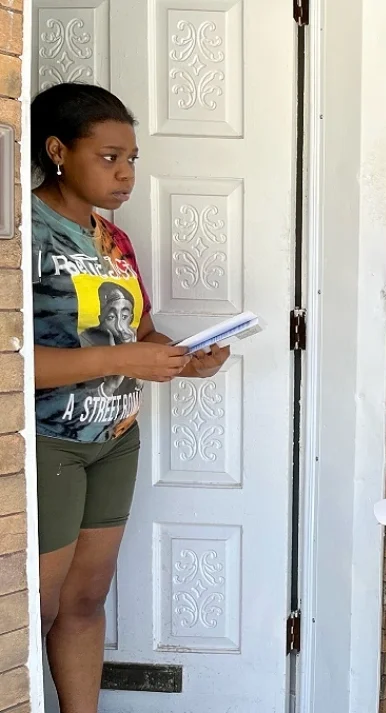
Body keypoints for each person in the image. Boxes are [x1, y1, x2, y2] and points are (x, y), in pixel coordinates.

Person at [31, 82, 231, 713]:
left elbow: (137, 333)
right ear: (58, 149)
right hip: (47, 441)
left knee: (86, 602)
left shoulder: (114, 241)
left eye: (133, 160)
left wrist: (184, 360)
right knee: (28, 612)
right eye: (109, 157)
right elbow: (14, 364)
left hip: (115, 438)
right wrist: (127, 358)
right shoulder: (22, 229)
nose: (126, 174)